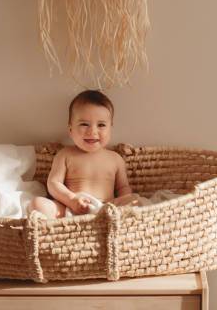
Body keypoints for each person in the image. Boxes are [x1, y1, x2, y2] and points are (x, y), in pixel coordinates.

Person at [29, 90, 146, 218]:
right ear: (70, 129)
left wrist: (125, 204)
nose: (92, 131)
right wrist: (71, 199)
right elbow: (53, 184)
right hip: (71, 208)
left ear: (110, 128)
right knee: (37, 204)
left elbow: (123, 188)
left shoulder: (115, 159)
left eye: (101, 125)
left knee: (136, 201)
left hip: (107, 210)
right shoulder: (65, 155)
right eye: (84, 124)